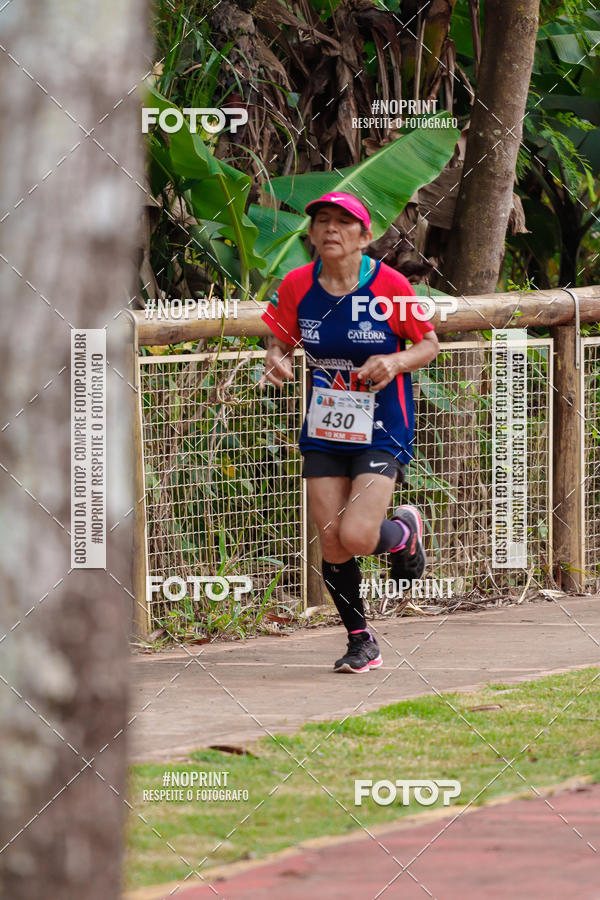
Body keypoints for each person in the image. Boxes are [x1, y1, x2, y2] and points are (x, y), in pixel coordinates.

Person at [259, 192, 440, 673]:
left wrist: (395, 360)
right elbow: (280, 338)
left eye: (343, 222)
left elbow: (428, 344)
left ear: (365, 236)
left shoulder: (390, 285)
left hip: (383, 424)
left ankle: (402, 532)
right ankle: (360, 641)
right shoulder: (297, 284)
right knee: (332, 539)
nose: (330, 230)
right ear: (312, 233)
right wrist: (276, 358)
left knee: (358, 535)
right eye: (322, 221)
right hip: (325, 426)